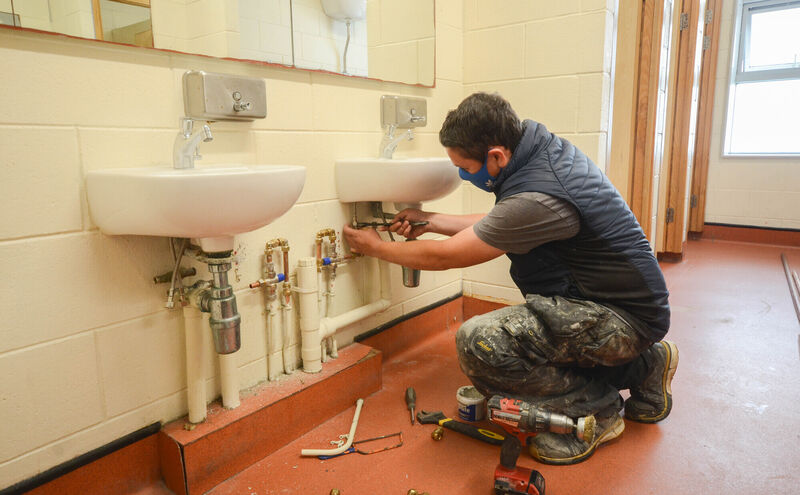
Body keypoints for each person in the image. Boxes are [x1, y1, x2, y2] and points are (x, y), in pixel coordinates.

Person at [342, 92, 676, 465]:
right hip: (625, 308)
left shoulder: (538, 194)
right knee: (533, 342)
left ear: (496, 156)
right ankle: (646, 366)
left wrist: (375, 247)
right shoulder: (539, 152)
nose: (463, 175)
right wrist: (432, 221)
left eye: (466, 167)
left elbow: (448, 255)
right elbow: (499, 223)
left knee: (480, 342)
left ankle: (596, 413)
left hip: (620, 319)